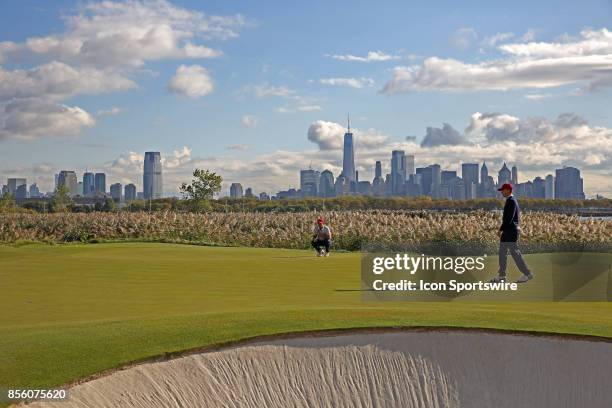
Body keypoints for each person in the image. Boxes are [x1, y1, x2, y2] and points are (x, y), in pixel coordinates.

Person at [490, 183, 534, 283]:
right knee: (502, 253)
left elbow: (509, 219)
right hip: (508, 231)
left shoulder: (511, 201)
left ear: (508, 190)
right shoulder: (510, 201)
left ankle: (527, 273)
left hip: (510, 231)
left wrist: (500, 229)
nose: (501, 192)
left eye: (503, 190)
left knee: (515, 253)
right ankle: (502, 276)